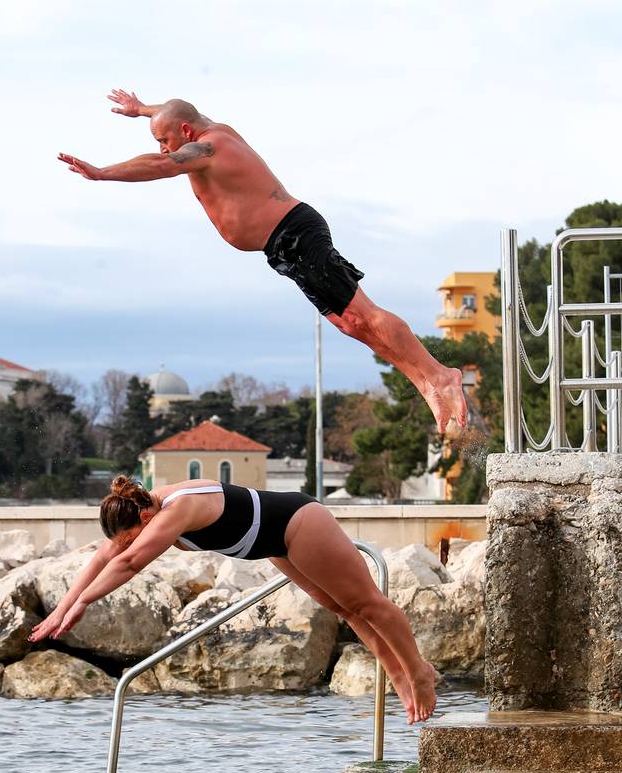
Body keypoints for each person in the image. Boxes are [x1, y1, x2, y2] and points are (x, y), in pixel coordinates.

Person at [58, 90, 467, 435]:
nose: (163, 148)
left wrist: (102, 173)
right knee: (349, 323)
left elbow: (163, 165)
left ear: (185, 133)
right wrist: (144, 109)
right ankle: (425, 382)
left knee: (364, 314)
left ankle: (441, 375)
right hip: (282, 245)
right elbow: (175, 113)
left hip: (294, 232)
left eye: (165, 139)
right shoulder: (198, 126)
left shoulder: (208, 146)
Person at [29, 475, 437, 724]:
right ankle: (396, 672)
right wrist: (63, 609)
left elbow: (131, 561)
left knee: (366, 602)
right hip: (272, 545)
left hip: (296, 523)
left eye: (136, 536)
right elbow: (106, 556)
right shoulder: (142, 513)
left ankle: (417, 670)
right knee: (341, 608)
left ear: (145, 519)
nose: (134, 544)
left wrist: (85, 603)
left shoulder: (175, 509)